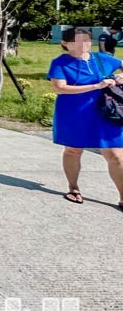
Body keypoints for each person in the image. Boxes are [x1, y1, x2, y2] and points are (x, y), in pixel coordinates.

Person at [47, 27, 123, 210]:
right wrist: (96, 86)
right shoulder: (60, 63)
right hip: (74, 113)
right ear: (65, 43)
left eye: (87, 40)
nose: (83, 44)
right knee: (73, 150)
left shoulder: (101, 58)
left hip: (106, 112)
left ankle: (122, 198)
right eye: (77, 40)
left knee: (116, 155)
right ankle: (73, 188)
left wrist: (120, 77)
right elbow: (60, 88)